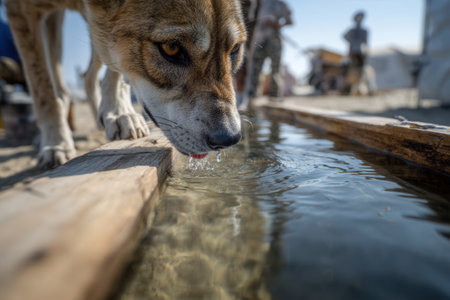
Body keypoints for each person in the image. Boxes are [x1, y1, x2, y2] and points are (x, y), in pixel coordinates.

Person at [246, 0, 293, 101]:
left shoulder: (282, 5)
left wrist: (277, 24)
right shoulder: (261, 2)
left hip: (274, 40)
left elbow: (290, 21)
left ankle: (274, 95)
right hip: (259, 39)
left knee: (275, 68)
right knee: (255, 67)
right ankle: (252, 95)